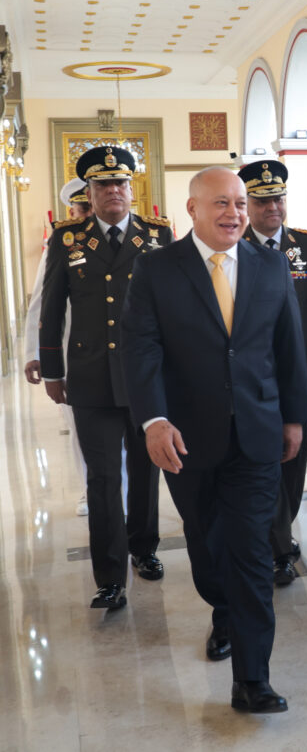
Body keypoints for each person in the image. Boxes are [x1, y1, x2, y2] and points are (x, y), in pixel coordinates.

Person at [120, 166, 307, 713]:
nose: (235, 213)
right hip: (187, 438)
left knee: (251, 551)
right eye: (222, 203)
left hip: (257, 433)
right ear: (193, 209)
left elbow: (289, 347)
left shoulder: (270, 265)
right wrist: (154, 420)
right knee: (206, 544)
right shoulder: (157, 269)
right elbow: (141, 349)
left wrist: (294, 417)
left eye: (240, 203)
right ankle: (222, 610)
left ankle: (252, 679)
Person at [38, 147, 170, 609]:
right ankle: (110, 576)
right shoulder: (68, 239)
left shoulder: (158, 235)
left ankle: (144, 548)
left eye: (120, 183)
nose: (113, 190)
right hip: (91, 376)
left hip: (145, 377)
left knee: (146, 469)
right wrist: (52, 369)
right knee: (103, 478)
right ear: (90, 193)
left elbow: (173, 307)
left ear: (132, 190)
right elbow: (52, 306)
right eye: (103, 185)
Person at [239, 159, 307, 586]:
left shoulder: (306, 246)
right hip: (253, 376)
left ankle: (281, 531)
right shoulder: (234, 246)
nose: (272, 207)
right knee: (263, 458)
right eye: (262, 201)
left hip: (301, 372)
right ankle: (277, 545)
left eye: (278, 198)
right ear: (248, 205)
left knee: (295, 457)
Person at [25, 178, 92, 517]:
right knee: (81, 427)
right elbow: (41, 302)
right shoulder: (63, 245)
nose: (88, 215)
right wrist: (34, 353)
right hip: (73, 350)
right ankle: (91, 490)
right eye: (83, 209)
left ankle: (121, 492)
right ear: (73, 211)